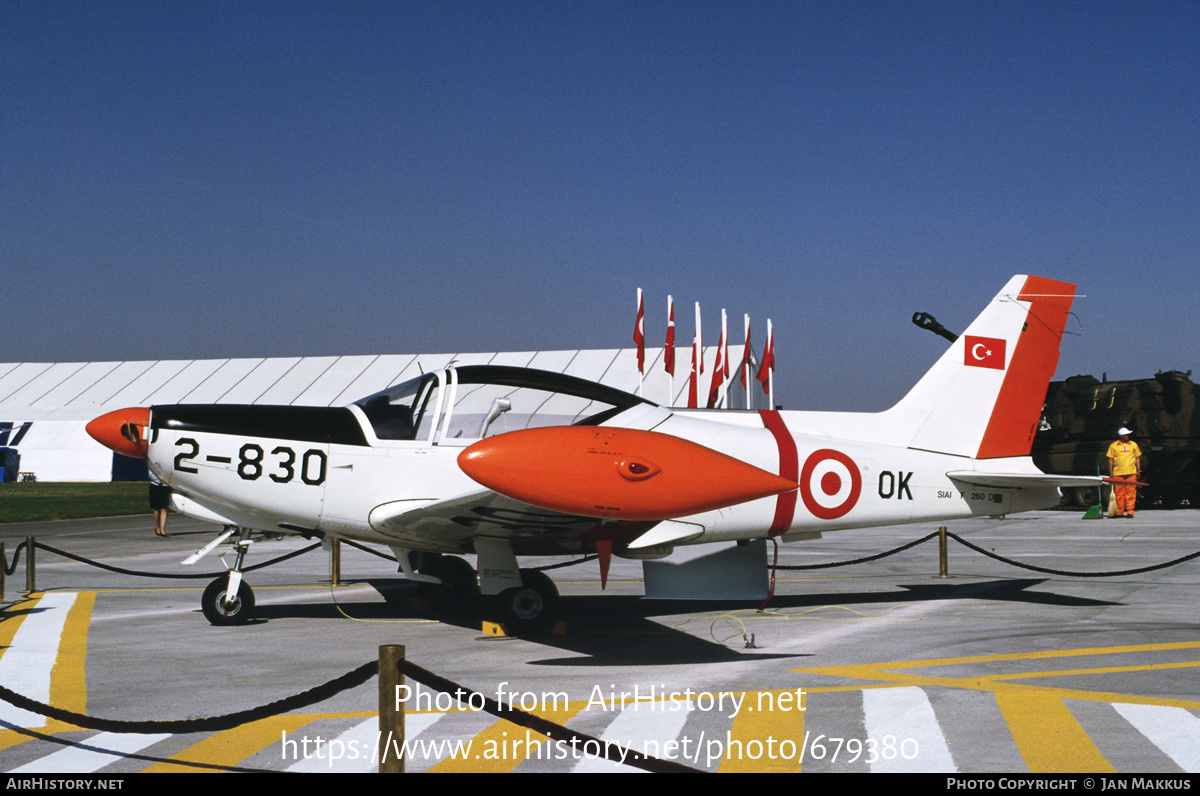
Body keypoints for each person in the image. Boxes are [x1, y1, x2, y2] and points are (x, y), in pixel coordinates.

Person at [1107, 427, 1142, 518]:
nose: (1128, 436)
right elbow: (1111, 460)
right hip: (1118, 473)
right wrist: (1111, 472)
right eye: (1126, 434)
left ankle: (1130, 511)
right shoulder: (1114, 446)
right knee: (1119, 493)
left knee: (1131, 493)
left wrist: (1138, 470)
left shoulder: (1133, 445)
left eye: (1128, 434)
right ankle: (1120, 511)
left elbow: (1137, 458)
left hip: (1131, 473)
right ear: (1121, 436)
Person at [148, 468, 171, 537]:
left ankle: (163, 529)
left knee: (164, 507)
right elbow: (150, 474)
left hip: (166, 485)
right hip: (155, 485)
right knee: (157, 507)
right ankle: (157, 527)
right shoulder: (152, 464)